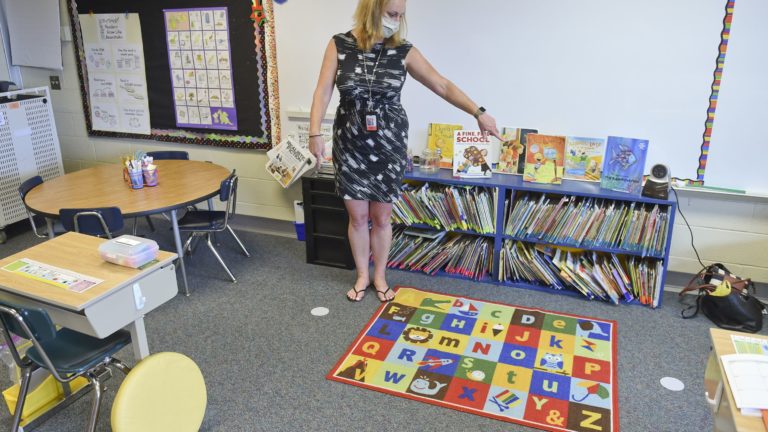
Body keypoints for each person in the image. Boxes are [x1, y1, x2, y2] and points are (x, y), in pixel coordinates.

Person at [308, 0, 501, 303]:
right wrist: (314, 131)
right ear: (372, 10)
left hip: (389, 144)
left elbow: (441, 84)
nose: (397, 20)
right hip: (350, 142)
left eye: (400, 15)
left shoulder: (403, 50)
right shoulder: (339, 45)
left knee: (382, 217)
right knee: (357, 217)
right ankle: (362, 276)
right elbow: (323, 90)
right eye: (391, 14)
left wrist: (478, 112)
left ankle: (380, 276)